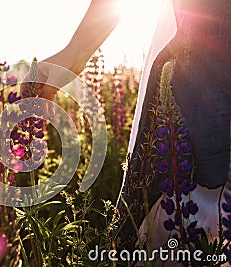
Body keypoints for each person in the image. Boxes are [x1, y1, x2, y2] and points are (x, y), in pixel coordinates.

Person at [32, 0, 231, 259]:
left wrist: (76, 53)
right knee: (181, 224)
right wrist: (75, 53)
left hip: (197, 60)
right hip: (193, 67)